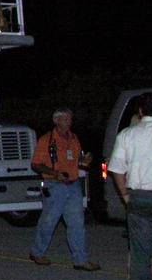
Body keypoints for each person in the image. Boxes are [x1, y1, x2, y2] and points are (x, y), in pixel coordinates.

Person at [28, 108, 99, 270]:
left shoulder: (74, 138)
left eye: (70, 119)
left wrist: (85, 161)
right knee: (49, 221)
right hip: (54, 186)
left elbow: (78, 161)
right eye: (65, 119)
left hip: (73, 185)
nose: (69, 122)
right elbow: (35, 164)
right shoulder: (47, 140)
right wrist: (54, 173)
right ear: (56, 121)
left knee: (77, 223)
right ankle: (37, 252)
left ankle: (80, 259)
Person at [110, 92, 152, 280]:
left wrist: (125, 194)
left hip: (140, 198)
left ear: (140, 111)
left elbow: (117, 169)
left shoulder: (128, 134)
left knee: (140, 255)